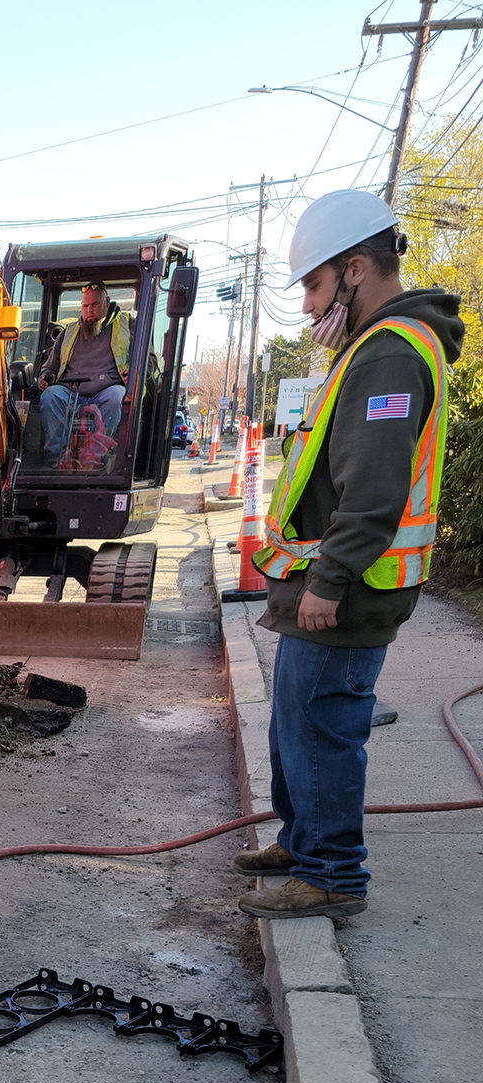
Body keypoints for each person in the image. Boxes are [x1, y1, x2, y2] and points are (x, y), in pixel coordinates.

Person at [236, 190, 464, 922]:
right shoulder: (376, 348)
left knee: (322, 732)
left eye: (313, 284)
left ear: (356, 269)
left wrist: (329, 582)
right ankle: (303, 844)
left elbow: (372, 489)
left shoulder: (390, 356)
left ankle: (332, 877)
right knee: (294, 725)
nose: (307, 305)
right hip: (336, 583)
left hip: (351, 590)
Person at [37, 280, 131, 462]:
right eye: (85, 306)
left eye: (95, 304)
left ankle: (95, 456)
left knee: (116, 398)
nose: (90, 310)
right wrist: (45, 376)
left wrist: (135, 373)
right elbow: (50, 366)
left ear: (107, 302)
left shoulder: (127, 326)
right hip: (71, 392)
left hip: (106, 390)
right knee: (50, 396)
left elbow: (149, 360)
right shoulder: (69, 332)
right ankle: (58, 456)